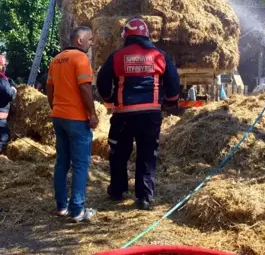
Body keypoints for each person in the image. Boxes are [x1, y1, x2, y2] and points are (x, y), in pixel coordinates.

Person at [96, 18, 180, 210]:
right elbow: (174, 82)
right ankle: (144, 198)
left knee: (118, 153)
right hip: (150, 115)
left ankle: (117, 191)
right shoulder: (159, 55)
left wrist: (109, 99)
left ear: (126, 35)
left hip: (123, 114)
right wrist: (170, 101)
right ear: (146, 34)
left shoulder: (117, 56)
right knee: (147, 154)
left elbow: (102, 80)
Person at [46, 26, 98, 223]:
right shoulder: (80, 58)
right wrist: (92, 113)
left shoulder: (56, 59)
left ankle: (61, 206)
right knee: (80, 164)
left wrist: (55, 108)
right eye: (90, 40)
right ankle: (77, 210)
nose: (91, 43)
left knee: (62, 162)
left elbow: (50, 89)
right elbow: (84, 87)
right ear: (79, 40)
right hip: (76, 119)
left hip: (58, 117)